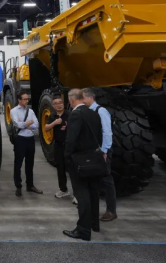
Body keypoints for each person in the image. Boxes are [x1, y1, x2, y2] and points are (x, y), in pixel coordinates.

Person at [63, 89, 104, 242]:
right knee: (93, 192)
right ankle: (94, 224)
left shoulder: (76, 114)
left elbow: (71, 140)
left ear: (71, 100)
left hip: (80, 161)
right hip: (94, 158)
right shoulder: (94, 113)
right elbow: (99, 135)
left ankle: (83, 230)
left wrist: (67, 157)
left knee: (82, 194)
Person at [83, 88, 118, 222]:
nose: (81, 100)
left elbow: (107, 133)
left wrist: (104, 151)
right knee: (94, 180)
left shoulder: (101, 111)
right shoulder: (88, 111)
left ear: (91, 98)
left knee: (106, 180)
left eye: (83, 98)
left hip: (102, 152)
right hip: (93, 151)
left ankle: (111, 211)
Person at [11, 91, 43, 197]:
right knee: (18, 164)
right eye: (24, 99)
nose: (26, 101)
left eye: (27, 99)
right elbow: (17, 124)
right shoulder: (14, 111)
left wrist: (27, 125)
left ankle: (30, 185)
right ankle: (18, 186)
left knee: (30, 164)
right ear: (19, 100)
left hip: (30, 139)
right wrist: (27, 123)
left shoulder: (31, 111)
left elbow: (36, 124)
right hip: (20, 139)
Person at [44, 95, 71, 199]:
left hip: (69, 146)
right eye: (56, 104)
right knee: (60, 168)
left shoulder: (69, 114)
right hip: (58, 146)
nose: (59, 105)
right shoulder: (53, 116)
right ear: (53, 106)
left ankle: (78, 194)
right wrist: (54, 123)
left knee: (72, 169)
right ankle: (63, 189)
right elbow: (46, 127)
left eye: (60, 103)